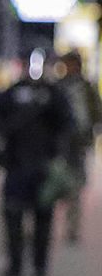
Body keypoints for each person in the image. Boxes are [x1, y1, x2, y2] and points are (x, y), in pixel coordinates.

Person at [0, 51, 73, 276]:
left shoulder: (53, 94)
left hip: (43, 167)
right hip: (17, 165)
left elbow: (67, 125)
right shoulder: (13, 93)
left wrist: (57, 152)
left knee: (43, 220)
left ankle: (39, 267)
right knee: (13, 217)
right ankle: (16, 266)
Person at [52, 51, 101, 244]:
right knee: (55, 183)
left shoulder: (87, 88)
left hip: (79, 142)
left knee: (77, 186)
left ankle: (73, 228)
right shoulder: (58, 87)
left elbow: (97, 112)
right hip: (59, 143)